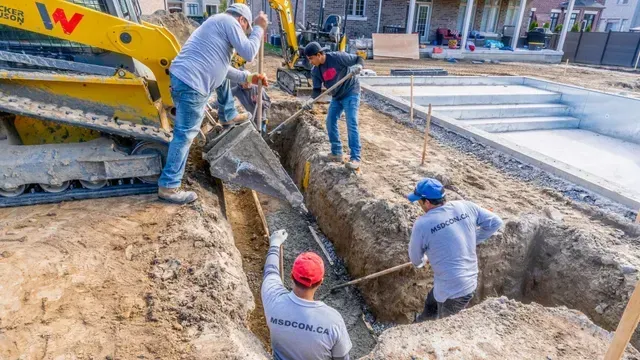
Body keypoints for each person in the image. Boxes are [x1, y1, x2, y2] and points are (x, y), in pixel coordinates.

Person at [158, 4, 269, 204]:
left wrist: (249, 77)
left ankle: (228, 114)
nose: (243, 34)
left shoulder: (216, 24)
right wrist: (260, 27)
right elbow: (249, 53)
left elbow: (222, 69)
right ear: (242, 21)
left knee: (185, 133)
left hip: (185, 79)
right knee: (184, 135)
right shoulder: (229, 21)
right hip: (192, 84)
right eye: (246, 30)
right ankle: (169, 186)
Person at [407, 178, 503, 321]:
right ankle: (421, 322)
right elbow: (495, 222)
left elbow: (415, 259)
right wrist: (469, 239)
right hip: (460, 281)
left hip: (457, 290)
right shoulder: (466, 206)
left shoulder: (422, 224)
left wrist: (422, 261)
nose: (418, 204)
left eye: (419, 201)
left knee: (445, 324)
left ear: (427, 202)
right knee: (431, 302)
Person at [262, 229, 352, 360]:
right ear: (320, 282)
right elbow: (342, 358)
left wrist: (275, 243)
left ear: (291, 276)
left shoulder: (273, 300)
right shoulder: (333, 321)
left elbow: (270, 271)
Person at [304, 42, 364, 171]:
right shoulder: (315, 71)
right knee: (330, 121)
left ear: (319, 55)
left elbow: (358, 58)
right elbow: (316, 90)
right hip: (337, 96)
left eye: (311, 58)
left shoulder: (336, 57)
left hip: (350, 92)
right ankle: (336, 152)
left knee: (351, 122)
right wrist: (310, 100)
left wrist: (358, 66)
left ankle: (355, 158)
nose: (310, 62)